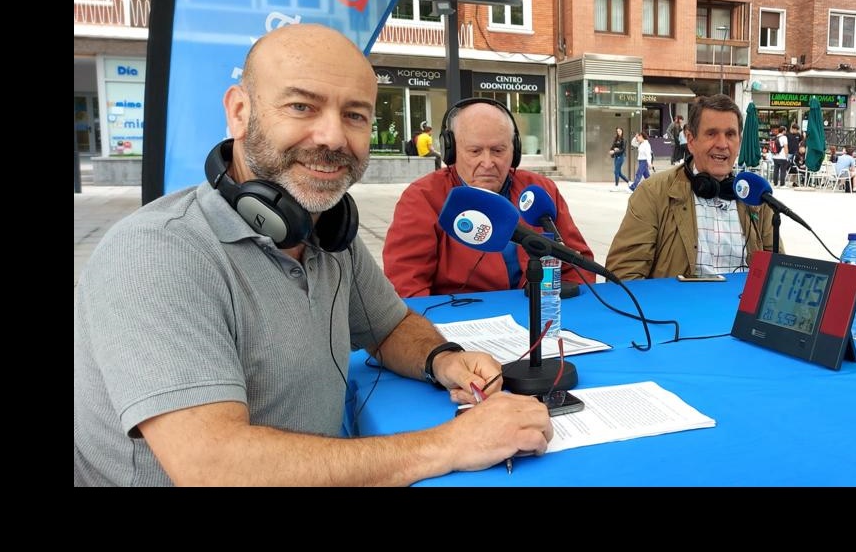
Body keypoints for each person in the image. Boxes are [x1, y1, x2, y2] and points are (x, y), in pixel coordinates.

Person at [74, 24, 553, 486]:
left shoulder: (325, 231)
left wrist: (443, 359)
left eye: (355, 115)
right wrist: (450, 444)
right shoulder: (154, 253)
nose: (333, 137)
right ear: (239, 112)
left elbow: (388, 327)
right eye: (302, 106)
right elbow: (214, 469)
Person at [384, 97, 597, 298]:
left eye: (498, 150)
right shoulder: (422, 198)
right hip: (459, 318)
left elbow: (579, 268)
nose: (487, 163)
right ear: (452, 151)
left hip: (540, 313)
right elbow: (406, 287)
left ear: (515, 150)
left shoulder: (539, 190)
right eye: (475, 151)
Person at [605, 94, 780, 280]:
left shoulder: (757, 197)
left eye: (730, 134)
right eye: (711, 134)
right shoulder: (652, 194)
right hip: (676, 300)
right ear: (690, 140)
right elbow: (623, 276)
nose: (722, 144)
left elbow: (778, 275)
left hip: (742, 300)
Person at [609, 126, 631, 191]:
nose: (618, 132)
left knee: (616, 172)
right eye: (617, 131)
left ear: (622, 131)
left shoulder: (623, 140)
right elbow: (613, 146)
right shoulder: (615, 139)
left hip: (621, 157)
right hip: (616, 156)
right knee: (619, 172)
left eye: (620, 131)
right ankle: (629, 182)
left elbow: (623, 150)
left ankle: (616, 186)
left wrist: (615, 150)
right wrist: (612, 150)